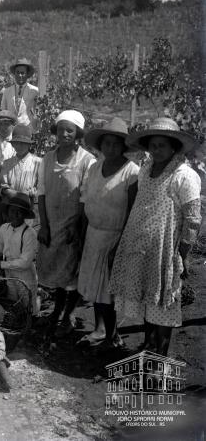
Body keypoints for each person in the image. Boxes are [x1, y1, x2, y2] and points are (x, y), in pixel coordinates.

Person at [109, 118, 200, 356]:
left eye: (162, 145)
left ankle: (160, 358)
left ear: (173, 147)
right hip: (140, 247)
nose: (157, 150)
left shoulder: (184, 175)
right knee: (148, 304)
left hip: (165, 251)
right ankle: (148, 352)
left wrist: (183, 254)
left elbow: (192, 220)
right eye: (153, 145)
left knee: (164, 308)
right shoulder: (146, 170)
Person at [75, 119, 139, 348]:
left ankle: (113, 334)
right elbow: (86, 201)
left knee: (110, 290)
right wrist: (82, 233)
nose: (110, 148)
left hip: (115, 237)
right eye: (107, 143)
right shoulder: (94, 168)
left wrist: (120, 245)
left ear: (123, 146)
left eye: (116, 144)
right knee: (95, 287)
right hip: (94, 234)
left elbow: (133, 213)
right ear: (101, 145)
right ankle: (100, 328)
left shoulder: (132, 173)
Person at [37, 110, 95, 337]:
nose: (64, 134)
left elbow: (85, 196)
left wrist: (76, 227)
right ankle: (57, 311)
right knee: (58, 272)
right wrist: (44, 225)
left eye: (69, 130)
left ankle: (68, 314)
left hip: (74, 224)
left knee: (72, 271)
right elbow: (41, 192)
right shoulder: (48, 158)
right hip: (52, 222)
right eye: (61, 130)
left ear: (77, 133)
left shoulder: (86, 160)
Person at [0, 193, 39, 316]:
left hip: (25, 275)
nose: (15, 214)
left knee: (28, 305)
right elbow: (1, 245)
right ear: (7, 212)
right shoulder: (4, 228)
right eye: (12, 210)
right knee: (13, 302)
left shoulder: (29, 233)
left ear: (25, 215)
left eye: (19, 212)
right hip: (9, 273)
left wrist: (1, 264)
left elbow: (25, 262)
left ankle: (33, 320)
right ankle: (17, 324)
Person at [0, 125, 41, 210]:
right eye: (17, 143)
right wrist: (6, 191)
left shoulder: (38, 163)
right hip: (10, 206)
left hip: (29, 206)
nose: (19, 146)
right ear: (13, 144)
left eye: (23, 143)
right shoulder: (7, 164)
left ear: (29, 144)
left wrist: (34, 192)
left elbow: (42, 187)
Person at [1, 59, 39, 132]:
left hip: (28, 129)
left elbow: (37, 112)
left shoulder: (35, 91)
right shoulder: (7, 91)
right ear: (14, 74)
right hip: (11, 130)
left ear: (27, 74)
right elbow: (3, 111)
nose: (20, 75)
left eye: (22, 73)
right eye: (17, 72)